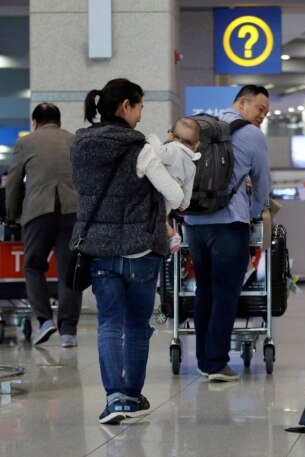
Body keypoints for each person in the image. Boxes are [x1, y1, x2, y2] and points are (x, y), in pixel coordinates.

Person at [69, 78, 183, 424]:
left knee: (108, 323)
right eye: (140, 107)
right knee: (136, 326)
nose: (141, 114)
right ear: (126, 107)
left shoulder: (80, 146)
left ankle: (114, 398)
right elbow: (175, 197)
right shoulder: (141, 149)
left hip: (99, 251)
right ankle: (132, 395)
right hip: (140, 251)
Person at [183, 85, 272, 382]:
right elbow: (262, 182)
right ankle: (217, 362)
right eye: (260, 109)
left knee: (204, 291)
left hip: (194, 223)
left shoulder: (202, 126)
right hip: (229, 224)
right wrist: (255, 212)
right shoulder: (251, 135)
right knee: (225, 293)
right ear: (243, 102)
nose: (262, 116)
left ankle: (203, 359)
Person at [5, 103, 83, 347]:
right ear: (58, 122)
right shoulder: (73, 140)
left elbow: (14, 182)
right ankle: (68, 331)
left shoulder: (26, 142)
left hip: (38, 211)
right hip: (72, 211)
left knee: (33, 265)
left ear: (35, 123)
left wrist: (12, 215)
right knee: (69, 271)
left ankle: (45, 320)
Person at [146, 117, 202, 253]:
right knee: (160, 218)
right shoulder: (191, 165)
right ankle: (171, 237)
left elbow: (158, 152)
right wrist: (184, 205)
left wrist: (151, 138)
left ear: (171, 136)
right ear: (196, 145)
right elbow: (187, 189)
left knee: (153, 218)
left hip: (159, 193)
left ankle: (170, 237)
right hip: (171, 201)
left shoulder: (172, 150)